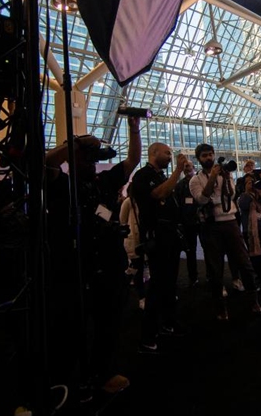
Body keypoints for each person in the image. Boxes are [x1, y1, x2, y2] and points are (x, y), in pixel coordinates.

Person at [44, 117, 140, 399]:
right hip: (74, 267)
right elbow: (45, 164)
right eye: (85, 156)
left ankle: (102, 373)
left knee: (108, 325)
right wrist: (74, 144)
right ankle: (60, 380)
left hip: (109, 265)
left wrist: (133, 127)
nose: (90, 160)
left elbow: (132, 160)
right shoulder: (60, 183)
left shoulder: (104, 181)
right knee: (68, 327)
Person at [189, 143, 261, 320]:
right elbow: (201, 199)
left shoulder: (226, 175)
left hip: (230, 222)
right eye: (204, 155)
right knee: (215, 269)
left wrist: (224, 177)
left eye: (210, 154)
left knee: (244, 263)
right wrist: (213, 178)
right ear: (198, 158)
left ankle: (254, 300)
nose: (208, 158)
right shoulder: (195, 180)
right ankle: (220, 308)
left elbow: (230, 196)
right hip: (211, 226)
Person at [130, 143, 188, 354]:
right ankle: (148, 335)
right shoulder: (143, 176)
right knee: (157, 284)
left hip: (171, 236)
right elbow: (159, 195)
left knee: (170, 283)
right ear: (153, 153)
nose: (170, 156)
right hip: (157, 236)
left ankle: (168, 323)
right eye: (167, 153)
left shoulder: (162, 175)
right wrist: (178, 171)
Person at [174, 161, 201, 285]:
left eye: (188, 166)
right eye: (184, 166)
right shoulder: (180, 185)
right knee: (191, 250)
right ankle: (193, 276)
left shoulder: (200, 182)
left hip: (201, 221)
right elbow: (177, 204)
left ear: (193, 167)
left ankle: (210, 276)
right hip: (187, 223)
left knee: (209, 248)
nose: (186, 168)